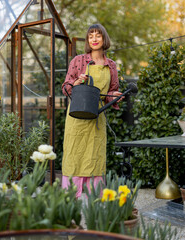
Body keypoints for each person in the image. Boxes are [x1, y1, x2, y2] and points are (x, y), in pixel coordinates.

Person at [61, 23, 123, 198]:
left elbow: (110, 92)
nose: (94, 39)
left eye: (98, 35)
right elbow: (65, 87)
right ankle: (70, 195)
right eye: (91, 36)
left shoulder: (111, 65)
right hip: (77, 116)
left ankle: (94, 197)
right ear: (88, 40)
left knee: (94, 155)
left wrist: (115, 96)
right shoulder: (79, 61)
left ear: (104, 38)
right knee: (75, 154)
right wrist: (76, 83)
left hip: (97, 117)